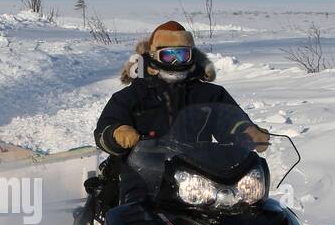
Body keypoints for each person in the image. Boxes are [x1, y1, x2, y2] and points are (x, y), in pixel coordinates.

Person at [94, 21, 269, 202]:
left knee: (242, 205)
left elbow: (229, 119)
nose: (176, 61)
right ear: (154, 56)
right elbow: (104, 130)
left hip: (200, 173)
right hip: (144, 172)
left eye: (182, 54)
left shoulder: (209, 94)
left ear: (191, 56)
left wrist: (247, 132)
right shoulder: (131, 96)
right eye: (169, 56)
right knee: (135, 211)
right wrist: (119, 133)